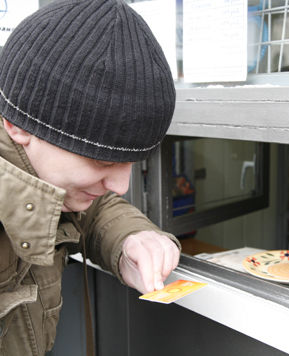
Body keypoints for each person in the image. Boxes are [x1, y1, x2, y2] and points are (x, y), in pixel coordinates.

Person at [0, 0, 180, 354]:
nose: (122, 185)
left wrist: (131, 239)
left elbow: (86, 210)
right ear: (18, 126)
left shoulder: (45, 174)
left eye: (132, 162)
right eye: (101, 161)